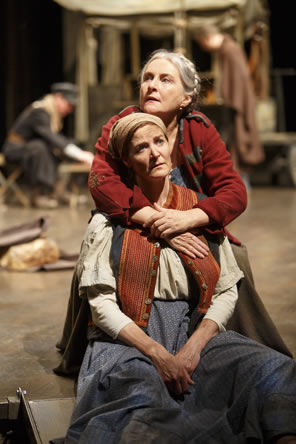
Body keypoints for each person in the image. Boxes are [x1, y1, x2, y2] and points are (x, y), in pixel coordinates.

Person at [62, 114, 296, 444]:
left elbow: (227, 290)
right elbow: (101, 307)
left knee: (271, 370)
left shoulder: (199, 211)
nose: (155, 152)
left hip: (194, 336)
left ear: (171, 145)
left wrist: (194, 347)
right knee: (139, 398)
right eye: (141, 148)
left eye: (159, 142)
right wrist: (157, 353)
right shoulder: (109, 221)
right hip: (128, 342)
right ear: (128, 160)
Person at [85, 48, 291, 358]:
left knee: (235, 260)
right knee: (100, 261)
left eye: (165, 79)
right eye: (148, 78)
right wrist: (159, 222)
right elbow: (101, 182)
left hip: (190, 218)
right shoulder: (122, 125)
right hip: (132, 221)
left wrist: (189, 218)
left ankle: (221, 341)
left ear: (186, 97)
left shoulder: (199, 130)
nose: (152, 85)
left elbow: (233, 191)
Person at [2, 82, 94, 209]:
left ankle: (60, 190)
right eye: (69, 104)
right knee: (40, 147)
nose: (70, 109)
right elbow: (51, 137)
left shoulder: (52, 114)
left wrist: (77, 154)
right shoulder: (39, 111)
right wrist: (80, 155)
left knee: (60, 146)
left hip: (30, 150)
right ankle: (39, 194)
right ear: (58, 97)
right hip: (15, 150)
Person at [194, 25, 265, 186]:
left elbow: (240, 79)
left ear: (207, 38)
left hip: (238, 103)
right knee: (234, 140)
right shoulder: (225, 50)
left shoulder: (230, 50)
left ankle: (241, 183)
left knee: (240, 139)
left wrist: (234, 103)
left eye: (203, 44)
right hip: (234, 102)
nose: (204, 48)